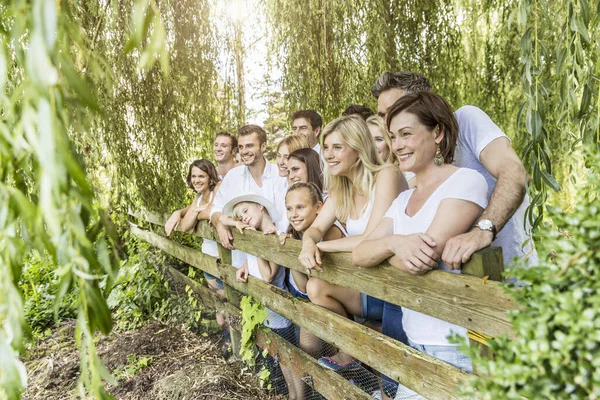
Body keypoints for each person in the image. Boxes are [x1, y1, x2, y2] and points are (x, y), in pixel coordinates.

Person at [353, 91, 489, 399]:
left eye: (406, 134)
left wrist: (385, 249)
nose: (396, 145)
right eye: (392, 137)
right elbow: (360, 254)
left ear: (438, 132)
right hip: (414, 343)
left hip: (455, 347)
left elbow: (423, 258)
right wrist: (396, 243)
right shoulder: (401, 200)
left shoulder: (465, 182)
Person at [371, 71, 538, 271]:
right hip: (452, 290)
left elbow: (515, 173)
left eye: (395, 109)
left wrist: (483, 230)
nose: (388, 122)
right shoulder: (410, 162)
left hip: (510, 274)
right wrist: (391, 247)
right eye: (382, 115)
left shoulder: (466, 121)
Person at [298, 115, 408, 370]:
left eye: (338, 147)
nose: (329, 154)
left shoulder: (387, 175)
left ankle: (362, 341)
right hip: (364, 282)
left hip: (395, 288)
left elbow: (373, 238)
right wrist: (308, 243)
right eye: (326, 147)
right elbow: (314, 228)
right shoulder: (342, 189)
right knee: (315, 287)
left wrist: (321, 246)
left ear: (358, 149)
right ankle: (355, 346)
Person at [222, 194, 298, 398]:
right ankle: (291, 395)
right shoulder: (257, 234)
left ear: (260, 206)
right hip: (266, 308)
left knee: (289, 359)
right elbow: (256, 264)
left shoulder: (272, 234)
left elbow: (267, 275)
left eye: (246, 211)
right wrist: (245, 266)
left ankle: (297, 396)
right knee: (281, 358)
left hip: (279, 307)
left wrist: (256, 247)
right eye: (239, 216)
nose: (244, 218)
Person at [210, 124, 288, 256]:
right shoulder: (233, 176)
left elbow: (286, 219)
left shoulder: (280, 175)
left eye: (249, 146)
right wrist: (220, 225)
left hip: (282, 253)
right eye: (241, 147)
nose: (244, 151)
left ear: (263, 146)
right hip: (244, 256)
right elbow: (216, 209)